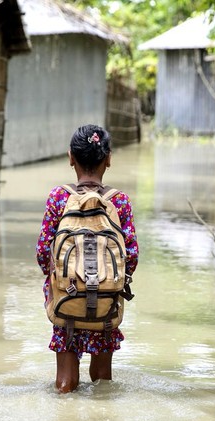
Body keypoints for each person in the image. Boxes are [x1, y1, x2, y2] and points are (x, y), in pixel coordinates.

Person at [36, 124, 139, 393]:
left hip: (66, 298)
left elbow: (43, 253)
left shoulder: (59, 198)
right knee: (102, 382)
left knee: (65, 383)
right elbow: (132, 257)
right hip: (106, 301)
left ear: (71, 157)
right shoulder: (120, 202)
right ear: (108, 159)